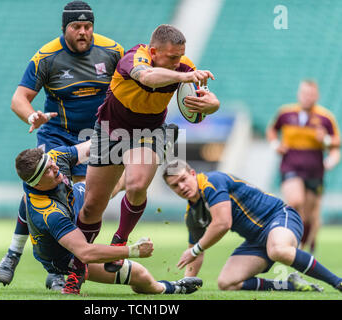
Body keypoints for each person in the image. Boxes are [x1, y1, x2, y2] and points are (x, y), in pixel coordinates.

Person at [0, 0, 124, 287]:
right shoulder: (46, 57)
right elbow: (19, 98)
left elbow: (133, 83)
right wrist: (32, 116)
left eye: (88, 27)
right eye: (76, 27)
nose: (83, 32)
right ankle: (14, 253)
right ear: (64, 28)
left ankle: (59, 269)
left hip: (94, 139)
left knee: (82, 205)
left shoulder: (113, 51)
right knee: (38, 186)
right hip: (56, 135)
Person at [77, 24, 220, 274]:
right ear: (154, 51)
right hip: (110, 130)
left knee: (137, 184)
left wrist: (211, 106)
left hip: (149, 132)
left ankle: (120, 240)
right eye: (172, 57)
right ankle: (77, 268)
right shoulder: (133, 58)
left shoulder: (183, 66)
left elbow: (209, 101)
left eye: (180, 56)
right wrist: (182, 77)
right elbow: (147, 77)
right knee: (92, 206)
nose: (179, 62)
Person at [13, 142, 203, 295]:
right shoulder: (48, 213)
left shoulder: (55, 158)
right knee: (140, 275)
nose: (54, 168)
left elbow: (91, 146)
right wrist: (132, 251)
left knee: (112, 182)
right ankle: (171, 287)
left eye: (50, 163)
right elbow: (85, 253)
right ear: (36, 183)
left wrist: (128, 140)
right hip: (65, 256)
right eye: (47, 170)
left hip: (72, 203)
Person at [162, 159, 342, 292]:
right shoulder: (192, 214)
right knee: (227, 283)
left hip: (280, 217)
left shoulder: (212, 181)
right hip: (257, 239)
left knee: (278, 249)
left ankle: (337, 282)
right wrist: (186, 281)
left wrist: (194, 250)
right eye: (175, 186)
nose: (182, 186)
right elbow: (196, 252)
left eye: (183, 179)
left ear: (193, 173)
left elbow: (223, 223)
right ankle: (290, 285)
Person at [267, 80, 341, 253]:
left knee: (308, 215)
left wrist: (325, 140)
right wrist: (275, 144)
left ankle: (303, 245)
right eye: (304, 93)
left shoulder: (325, 117)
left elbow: (337, 141)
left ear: (317, 96)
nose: (307, 97)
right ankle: (292, 241)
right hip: (291, 164)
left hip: (315, 170)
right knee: (295, 201)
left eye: (311, 94)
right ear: (299, 94)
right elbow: (272, 130)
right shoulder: (285, 113)